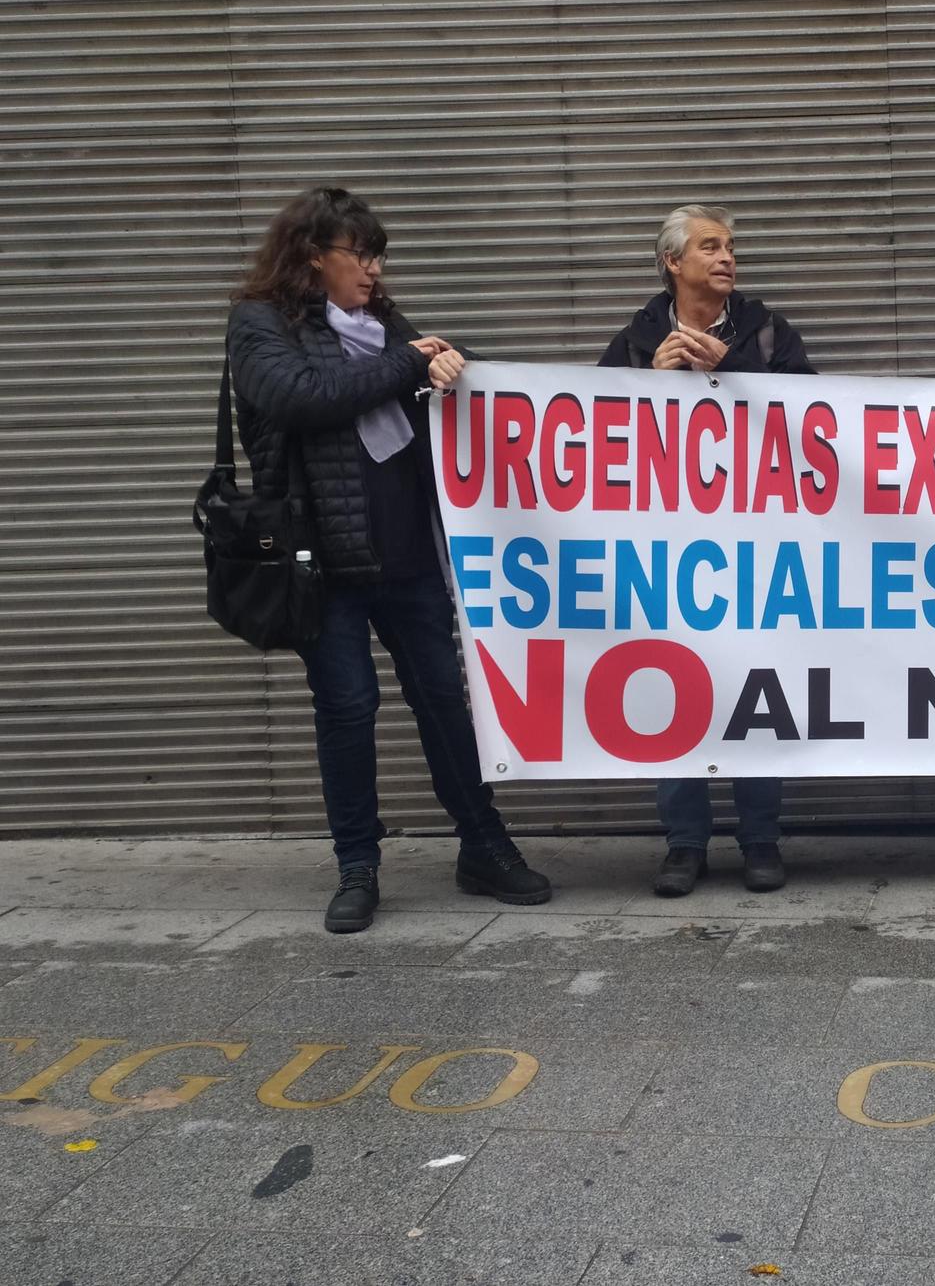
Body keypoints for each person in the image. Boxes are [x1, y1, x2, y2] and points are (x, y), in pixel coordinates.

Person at [226, 187, 552, 933]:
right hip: (326, 565)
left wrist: (443, 368)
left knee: (443, 699)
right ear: (314, 257)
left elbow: (419, 387)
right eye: (360, 255)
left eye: (378, 256)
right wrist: (409, 361)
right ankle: (357, 867)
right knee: (348, 711)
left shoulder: (382, 326)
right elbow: (300, 396)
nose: (373, 270)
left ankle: (484, 844)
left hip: (406, 557)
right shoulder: (259, 325)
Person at [600, 205, 814, 896]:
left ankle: (760, 840)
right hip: (667, 550)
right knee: (674, 689)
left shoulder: (769, 333)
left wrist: (739, 370)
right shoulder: (634, 343)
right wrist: (648, 389)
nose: (727, 258)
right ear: (673, 263)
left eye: (731, 246)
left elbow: (819, 425)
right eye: (710, 246)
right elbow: (588, 437)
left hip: (755, 547)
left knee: (755, 692)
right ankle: (684, 843)